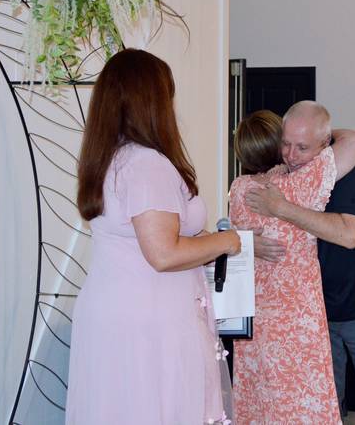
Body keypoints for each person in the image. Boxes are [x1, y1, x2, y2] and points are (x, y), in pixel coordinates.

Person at [65, 49, 241, 425]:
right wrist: (226, 242)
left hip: (119, 313)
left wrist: (200, 243)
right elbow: (163, 253)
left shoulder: (109, 159)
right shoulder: (147, 164)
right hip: (149, 322)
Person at [246, 100, 355, 425]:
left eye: (302, 147)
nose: (291, 156)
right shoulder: (282, 175)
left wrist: (281, 208)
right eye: (286, 144)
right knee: (325, 406)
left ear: (324, 145)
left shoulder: (347, 169)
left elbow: (347, 234)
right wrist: (251, 243)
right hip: (317, 313)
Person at [229, 108, 355, 424]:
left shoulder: (237, 191)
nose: (292, 153)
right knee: (301, 401)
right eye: (287, 143)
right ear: (276, 145)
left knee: (260, 398)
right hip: (297, 322)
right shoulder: (300, 185)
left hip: (255, 320)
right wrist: (323, 136)